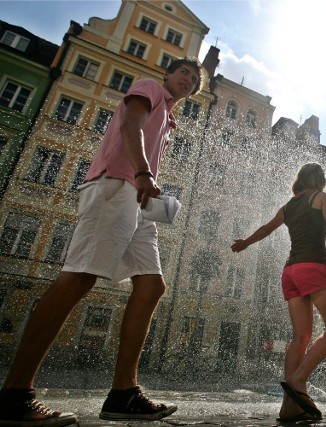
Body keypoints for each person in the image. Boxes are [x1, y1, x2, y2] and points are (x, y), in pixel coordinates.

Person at [0, 57, 205, 426]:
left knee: (152, 284)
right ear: (166, 74)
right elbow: (131, 125)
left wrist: (148, 187)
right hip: (116, 186)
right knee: (80, 276)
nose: (188, 80)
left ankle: (123, 393)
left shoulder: (169, 116)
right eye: (183, 73)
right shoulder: (149, 87)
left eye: (195, 80)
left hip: (138, 201)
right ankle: (15, 393)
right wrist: (143, 172)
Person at [231, 163, 326, 423]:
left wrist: (245, 242)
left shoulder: (288, 206)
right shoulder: (321, 198)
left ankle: (290, 406)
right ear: (319, 179)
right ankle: (298, 379)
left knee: (300, 336)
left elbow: (266, 228)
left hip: (290, 272)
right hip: (313, 267)